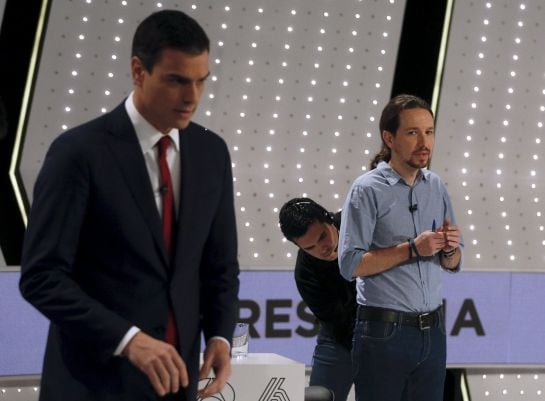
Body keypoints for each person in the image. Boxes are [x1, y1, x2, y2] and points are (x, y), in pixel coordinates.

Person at [19, 10, 239, 401]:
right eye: (176, 81)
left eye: (201, 82)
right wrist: (128, 339)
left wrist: (220, 334)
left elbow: (219, 265)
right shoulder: (78, 154)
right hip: (92, 385)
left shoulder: (212, 153)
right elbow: (42, 277)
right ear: (139, 71)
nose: (192, 97)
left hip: (178, 385)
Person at [338, 94, 463, 401]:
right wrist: (411, 249)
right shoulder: (366, 189)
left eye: (429, 132)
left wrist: (449, 249)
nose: (424, 142)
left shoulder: (436, 186)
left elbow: (454, 262)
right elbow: (350, 265)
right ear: (389, 138)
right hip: (384, 334)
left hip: (432, 333)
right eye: (413, 132)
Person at [279, 198, 357, 401]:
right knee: (320, 396)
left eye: (323, 236)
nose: (322, 248)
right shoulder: (305, 273)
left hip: (392, 327)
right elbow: (338, 324)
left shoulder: (359, 223)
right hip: (341, 337)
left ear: (329, 219)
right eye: (310, 247)